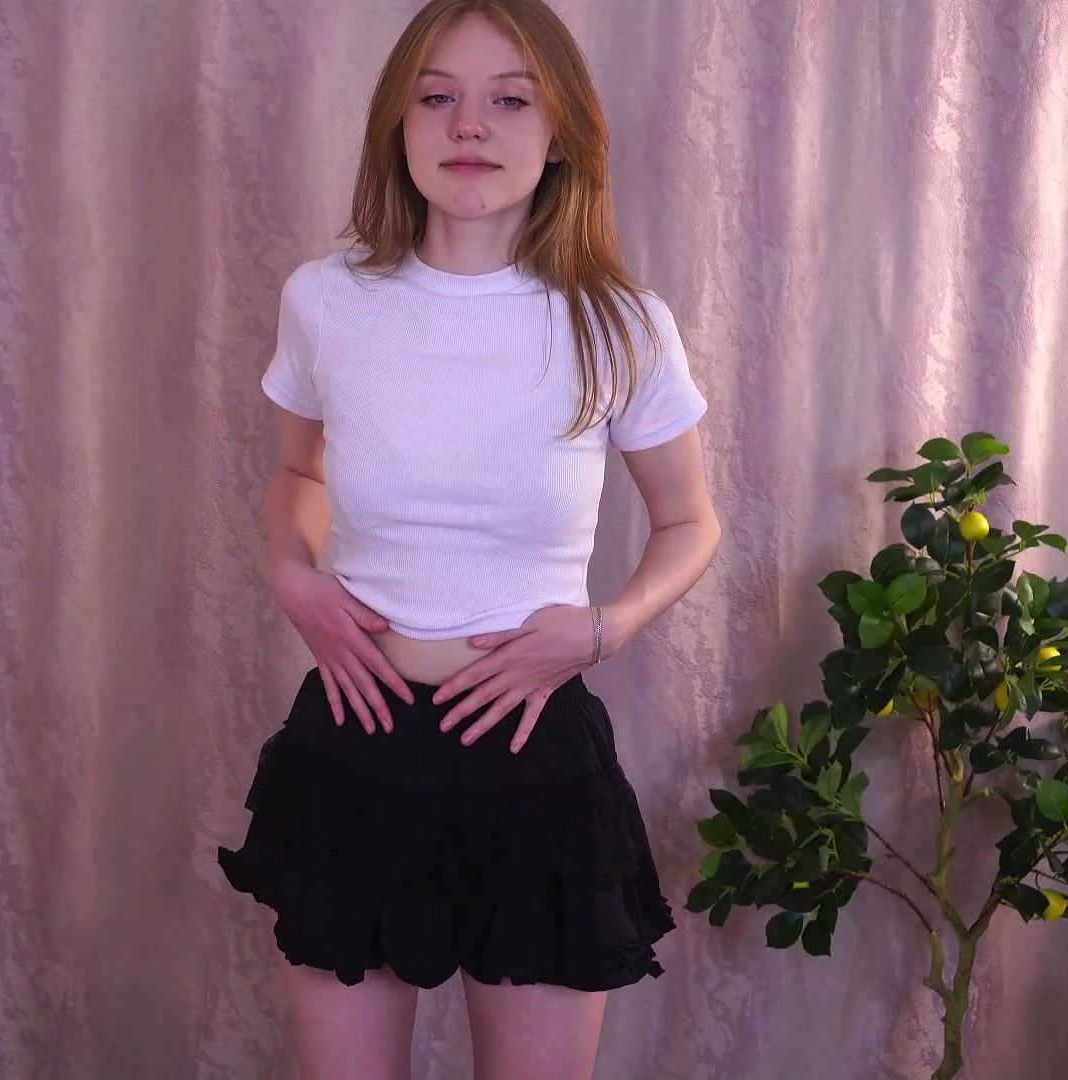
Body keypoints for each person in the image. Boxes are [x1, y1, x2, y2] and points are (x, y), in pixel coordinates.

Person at [216, 2, 719, 1077]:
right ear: (398, 126)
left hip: (534, 757)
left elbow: (689, 522)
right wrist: (292, 574)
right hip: (356, 743)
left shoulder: (620, 323)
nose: (469, 125)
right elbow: (301, 473)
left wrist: (605, 628)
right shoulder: (328, 299)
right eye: (437, 97)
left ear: (561, 132)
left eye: (509, 100)